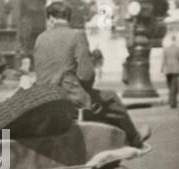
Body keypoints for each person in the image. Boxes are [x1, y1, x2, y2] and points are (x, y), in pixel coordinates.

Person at [34, 1, 150, 148]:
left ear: (50, 18)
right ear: (68, 17)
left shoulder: (40, 39)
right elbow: (86, 75)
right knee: (111, 98)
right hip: (69, 99)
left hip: (44, 98)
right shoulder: (77, 35)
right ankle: (135, 139)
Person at [161, 35, 179, 109]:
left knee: (169, 85)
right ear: (175, 41)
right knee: (174, 86)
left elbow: (164, 59)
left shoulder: (166, 49)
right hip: (175, 69)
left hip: (168, 69)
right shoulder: (178, 49)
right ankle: (172, 102)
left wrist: (162, 68)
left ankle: (171, 100)